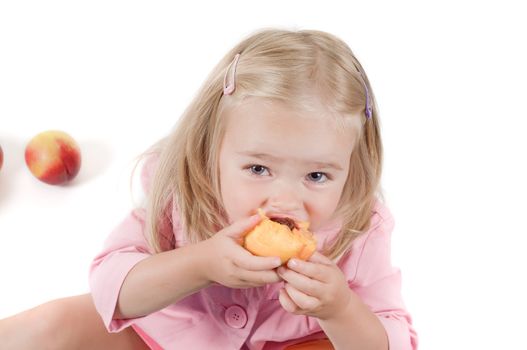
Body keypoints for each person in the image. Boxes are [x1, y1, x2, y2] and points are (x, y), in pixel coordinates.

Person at [0, 28, 418, 349]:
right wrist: (199, 263)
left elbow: (392, 339)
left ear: (353, 167)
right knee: (50, 325)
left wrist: (340, 308)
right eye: (257, 168)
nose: (286, 200)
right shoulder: (185, 188)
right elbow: (112, 286)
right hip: (167, 334)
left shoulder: (361, 226)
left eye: (317, 177)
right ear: (211, 150)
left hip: (292, 342)